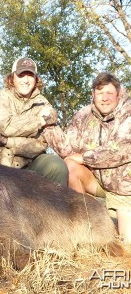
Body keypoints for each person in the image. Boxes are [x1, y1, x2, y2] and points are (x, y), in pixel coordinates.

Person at [43, 72, 131, 243]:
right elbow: (68, 150)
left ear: (118, 94)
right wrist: (49, 126)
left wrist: (85, 158)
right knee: (69, 165)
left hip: (125, 190)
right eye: (99, 93)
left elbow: (121, 150)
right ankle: (84, 220)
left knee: (127, 244)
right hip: (98, 181)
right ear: (93, 95)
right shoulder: (84, 115)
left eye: (109, 93)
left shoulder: (128, 113)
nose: (104, 98)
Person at [0, 57, 68, 186]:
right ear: (12, 78)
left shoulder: (43, 102)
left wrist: (6, 140)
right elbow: (6, 126)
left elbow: (40, 143)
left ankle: (58, 205)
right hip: (0, 164)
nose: (26, 80)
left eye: (30, 75)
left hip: (32, 162)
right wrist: (39, 121)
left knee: (57, 166)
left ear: (36, 79)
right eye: (21, 75)